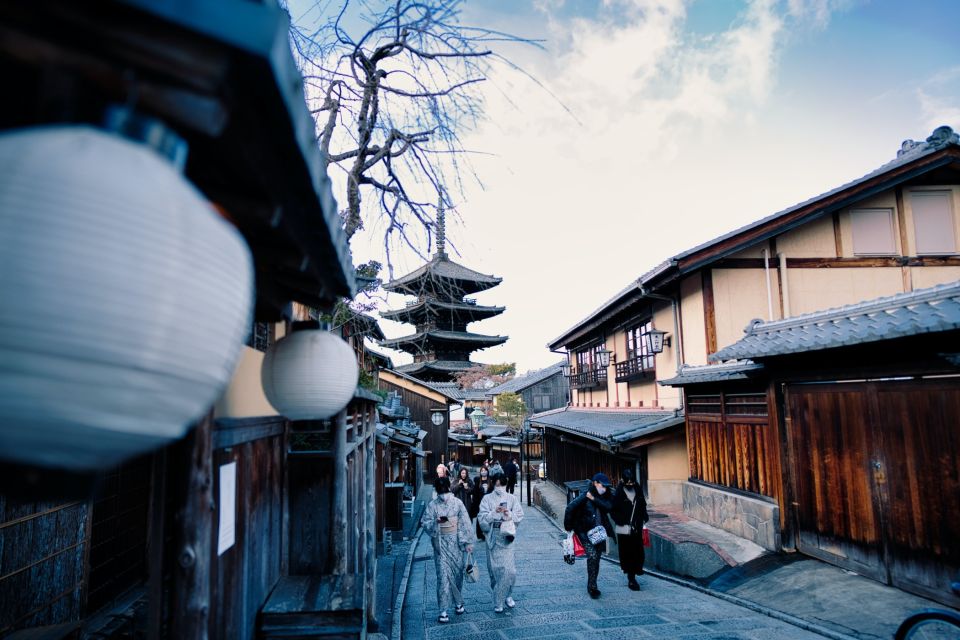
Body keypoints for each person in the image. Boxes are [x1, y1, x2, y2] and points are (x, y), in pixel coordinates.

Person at [421, 476, 475, 623]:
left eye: (445, 491)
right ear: (437, 491)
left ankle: (458, 603)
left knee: (457, 575)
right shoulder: (433, 505)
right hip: (440, 545)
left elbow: (464, 522)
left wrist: (467, 542)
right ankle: (443, 610)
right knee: (443, 578)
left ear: (449, 489)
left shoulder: (457, 503)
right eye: (441, 491)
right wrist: (435, 522)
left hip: (456, 544)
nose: (443, 494)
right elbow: (425, 522)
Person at [478, 472, 524, 613]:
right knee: (495, 572)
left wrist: (509, 515)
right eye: (497, 484)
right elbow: (482, 519)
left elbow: (520, 515)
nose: (499, 487)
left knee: (510, 571)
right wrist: (493, 513)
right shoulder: (486, 499)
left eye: (502, 484)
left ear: (505, 484)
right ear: (493, 483)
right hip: (493, 538)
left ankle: (507, 595)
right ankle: (499, 600)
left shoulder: (512, 498)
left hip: (507, 538)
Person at [564, 472, 613, 599]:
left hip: (599, 533)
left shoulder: (604, 496)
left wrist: (594, 499)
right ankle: (592, 587)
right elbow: (570, 508)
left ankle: (593, 583)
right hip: (584, 532)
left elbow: (609, 507)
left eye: (606, 486)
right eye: (603, 485)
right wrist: (569, 527)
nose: (605, 488)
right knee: (592, 555)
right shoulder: (585, 495)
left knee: (596, 558)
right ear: (595, 483)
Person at [610, 469, 649, 590]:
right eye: (628, 483)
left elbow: (642, 505)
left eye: (632, 483)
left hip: (636, 527)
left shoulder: (637, 489)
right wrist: (621, 520)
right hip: (624, 529)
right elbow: (613, 511)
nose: (630, 485)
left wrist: (644, 516)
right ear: (623, 481)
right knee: (628, 553)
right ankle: (631, 578)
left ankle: (637, 569)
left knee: (638, 551)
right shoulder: (619, 493)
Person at [470, 466, 491, 541]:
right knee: (480, 518)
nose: (483, 472)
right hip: (479, 502)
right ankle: (479, 535)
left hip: (489, 503)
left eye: (485, 470)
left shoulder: (490, 481)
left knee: (488, 518)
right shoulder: (478, 481)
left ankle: (487, 532)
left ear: (487, 471)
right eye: (482, 470)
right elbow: (475, 492)